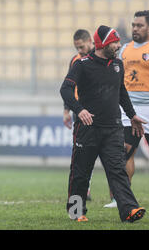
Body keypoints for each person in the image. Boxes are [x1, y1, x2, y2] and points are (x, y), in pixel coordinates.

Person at [60, 25, 146, 223]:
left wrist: (132, 115)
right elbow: (65, 89)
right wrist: (79, 110)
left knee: (118, 170)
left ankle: (129, 210)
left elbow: (121, 92)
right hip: (87, 129)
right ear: (104, 44)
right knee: (80, 173)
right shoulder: (81, 65)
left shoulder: (118, 65)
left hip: (113, 128)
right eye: (115, 42)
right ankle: (76, 212)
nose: (118, 45)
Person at [104, 10, 149, 208]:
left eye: (139, 25)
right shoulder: (124, 49)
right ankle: (121, 198)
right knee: (125, 152)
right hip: (128, 108)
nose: (134, 28)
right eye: (133, 25)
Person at [62, 29, 95, 201]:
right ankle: (85, 190)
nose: (79, 51)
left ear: (90, 41)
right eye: (77, 48)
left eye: (81, 47)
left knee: (110, 156)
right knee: (82, 153)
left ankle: (116, 196)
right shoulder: (75, 61)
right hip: (80, 112)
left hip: (100, 112)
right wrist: (67, 110)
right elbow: (68, 87)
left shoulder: (101, 58)